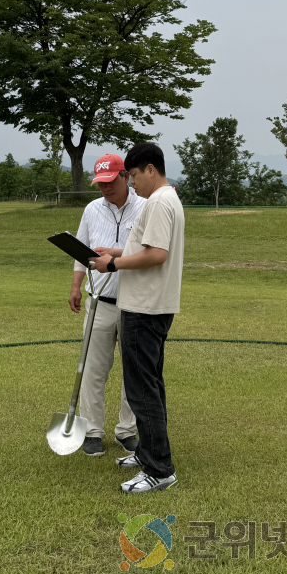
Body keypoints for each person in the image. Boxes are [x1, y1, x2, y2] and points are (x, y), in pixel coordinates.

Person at [89, 142, 184, 494]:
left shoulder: (158, 201)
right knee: (147, 386)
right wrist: (115, 252)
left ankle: (159, 469)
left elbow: (157, 254)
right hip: (150, 306)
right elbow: (144, 248)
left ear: (150, 170)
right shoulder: (168, 199)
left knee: (143, 390)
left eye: (133, 175)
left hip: (145, 309)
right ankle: (147, 454)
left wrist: (112, 264)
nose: (132, 183)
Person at [68, 153, 146, 458]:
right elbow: (80, 251)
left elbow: (147, 251)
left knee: (133, 372)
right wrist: (76, 286)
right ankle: (92, 431)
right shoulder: (91, 210)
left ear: (125, 177)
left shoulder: (145, 207)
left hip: (134, 303)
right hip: (98, 300)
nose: (105, 189)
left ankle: (127, 431)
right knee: (93, 370)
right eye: (100, 184)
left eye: (110, 182)